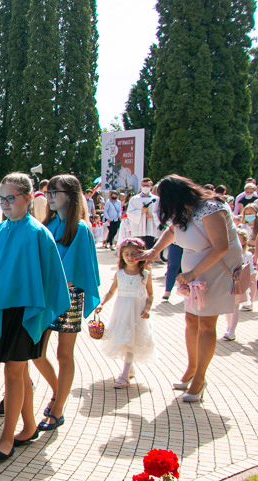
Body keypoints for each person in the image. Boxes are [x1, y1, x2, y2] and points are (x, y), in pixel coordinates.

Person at [0, 173, 69, 459]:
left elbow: (52, 280)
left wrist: (40, 314)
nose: (5, 204)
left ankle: (6, 438)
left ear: (28, 198)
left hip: (26, 315)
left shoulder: (38, 233)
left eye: (11, 198)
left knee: (13, 371)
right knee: (20, 371)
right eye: (2, 198)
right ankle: (28, 426)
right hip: (1, 313)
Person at [137, 175, 242, 403]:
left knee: (206, 323)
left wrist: (192, 273)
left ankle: (200, 378)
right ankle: (192, 369)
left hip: (215, 269)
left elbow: (221, 246)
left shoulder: (211, 208)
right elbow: (172, 232)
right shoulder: (183, 209)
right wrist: (153, 252)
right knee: (191, 320)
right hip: (194, 271)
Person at [33, 174, 100, 432]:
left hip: (69, 297)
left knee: (63, 354)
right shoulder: (47, 225)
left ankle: (58, 408)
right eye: (48, 192)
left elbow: (76, 272)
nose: (49, 197)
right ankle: (57, 394)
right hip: (47, 295)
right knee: (37, 352)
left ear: (70, 196)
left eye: (54, 192)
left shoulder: (80, 229)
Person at [96, 238, 156, 387]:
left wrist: (147, 309)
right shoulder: (120, 274)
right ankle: (129, 369)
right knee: (124, 339)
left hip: (137, 311)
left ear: (141, 255)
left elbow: (150, 294)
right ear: (122, 256)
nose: (130, 257)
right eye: (127, 254)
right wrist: (101, 303)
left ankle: (124, 375)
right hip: (121, 311)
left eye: (134, 254)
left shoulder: (145, 274)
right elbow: (111, 291)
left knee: (132, 340)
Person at [221, 229, 253, 341]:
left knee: (235, 307)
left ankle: (231, 331)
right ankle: (228, 328)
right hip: (227, 282)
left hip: (238, 283)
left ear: (244, 241)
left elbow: (251, 271)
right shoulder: (226, 252)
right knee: (227, 308)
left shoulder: (247, 255)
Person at [127, 178, 161, 254]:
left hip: (151, 227)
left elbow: (161, 212)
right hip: (139, 227)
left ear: (151, 187)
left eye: (147, 185)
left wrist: (153, 215)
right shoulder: (134, 199)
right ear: (141, 186)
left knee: (150, 247)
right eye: (143, 185)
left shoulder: (156, 199)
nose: (145, 187)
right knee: (138, 247)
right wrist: (140, 212)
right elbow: (129, 213)